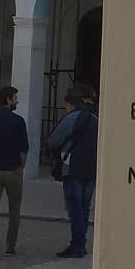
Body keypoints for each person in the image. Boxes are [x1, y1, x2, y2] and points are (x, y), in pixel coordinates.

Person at [46, 84, 98, 258]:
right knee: (84, 208)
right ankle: (80, 243)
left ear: (71, 104)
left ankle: (77, 245)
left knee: (74, 208)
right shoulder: (97, 118)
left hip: (73, 167)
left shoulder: (73, 118)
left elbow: (54, 140)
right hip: (92, 169)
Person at [0, 86, 29, 260]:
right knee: (14, 210)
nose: (17, 101)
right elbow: (24, 149)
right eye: (15, 98)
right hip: (12, 170)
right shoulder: (18, 121)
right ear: (8, 100)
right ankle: (10, 247)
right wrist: (21, 167)